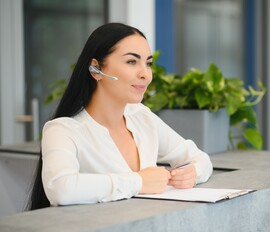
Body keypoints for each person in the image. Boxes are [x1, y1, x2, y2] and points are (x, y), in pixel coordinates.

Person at [27, 23, 213, 210]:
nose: (145, 75)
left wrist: (193, 172)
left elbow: (201, 159)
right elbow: (61, 189)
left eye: (148, 63)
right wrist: (138, 182)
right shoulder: (63, 130)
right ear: (95, 69)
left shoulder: (141, 117)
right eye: (132, 62)